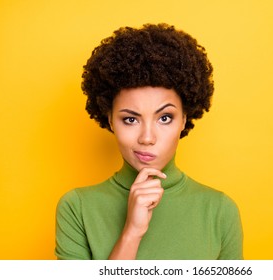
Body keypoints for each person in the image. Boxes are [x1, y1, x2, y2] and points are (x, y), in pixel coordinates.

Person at [55, 23, 243, 260]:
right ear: (110, 119)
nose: (147, 138)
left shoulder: (219, 211)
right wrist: (132, 233)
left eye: (165, 118)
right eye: (130, 119)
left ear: (184, 119)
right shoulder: (77, 208)